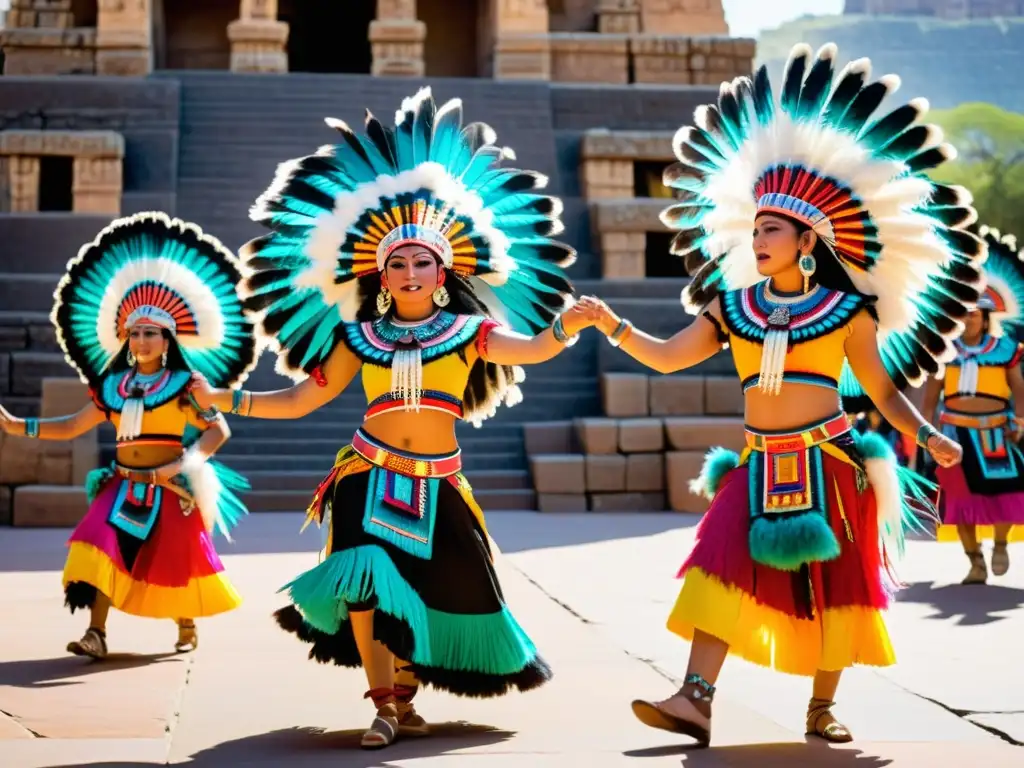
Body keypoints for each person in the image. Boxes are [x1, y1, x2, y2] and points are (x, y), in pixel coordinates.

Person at [575, 42, 984, 745]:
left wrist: (928, 431)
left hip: (830, 461)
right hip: (757, 464)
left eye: (772, 229)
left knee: (837, 590)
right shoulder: (732, 306)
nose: (758, 236)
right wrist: (611, 325)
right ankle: (695, 700)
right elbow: (670, 359)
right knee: (717, 566)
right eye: (755, 226)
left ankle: (822, 709)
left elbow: (881, 390)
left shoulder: (848, 311)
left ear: (806, 242)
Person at [190, 87, 586, 749]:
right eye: (396, 263)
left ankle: (404, 699)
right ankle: (380, 704)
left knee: (433, 589)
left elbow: (535, 347)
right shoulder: (357, 338)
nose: (408, 270)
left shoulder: (469, 330)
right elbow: (302, 399)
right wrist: (227, 399)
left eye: (421, 262)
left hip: (440, 483)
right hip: (365, 474)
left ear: (442, 273)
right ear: (381, 277)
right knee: (368, 582)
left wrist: (566, 327)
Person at [0, 212, 258, 659]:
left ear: (167, 339)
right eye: (134, 333)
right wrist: (20, 426)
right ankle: (96, 632)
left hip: (172, 486)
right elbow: (73, 425)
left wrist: (182, 465)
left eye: (150, 334)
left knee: (176, 562)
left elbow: (219, 429)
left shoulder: (185, 383)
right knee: (98, 545)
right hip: (121, 484)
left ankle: (185, 619)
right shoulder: (112, 386)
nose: (140, 340)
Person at [922, 226, 1024, 584]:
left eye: (976, 314)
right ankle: (975, 561)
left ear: (986, 316)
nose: (970, 319)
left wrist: (1021, 421)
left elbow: (1018, 386)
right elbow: (931, 393)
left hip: (996, 430)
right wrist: (925, 431)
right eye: (965, 314)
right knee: (959, 497)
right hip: (954, 432)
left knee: (1008, 491)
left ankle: (999, 544)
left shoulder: (1005, 349)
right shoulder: (944, 350)